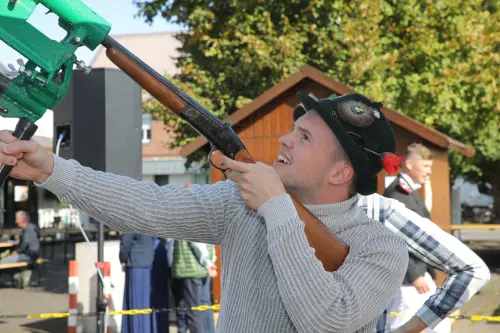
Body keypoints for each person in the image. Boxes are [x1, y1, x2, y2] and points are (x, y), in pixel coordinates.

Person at [0, 91, 410, 333]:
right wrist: (50, 169)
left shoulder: (381, 248)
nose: (284, 139)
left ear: (341, 172)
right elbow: (145, 207)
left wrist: (276, 208)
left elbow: (328, 319)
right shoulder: (241, 202)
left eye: (304, 137)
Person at [382, 143, 450, 333]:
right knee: (401, 325)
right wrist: (415, 275)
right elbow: (398, 238)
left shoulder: (410, 193)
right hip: (409, 278)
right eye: (426, 166)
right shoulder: (398, 194)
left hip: (420, 273)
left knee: (438, 325)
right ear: (410, 164)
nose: (429, 172)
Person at [119, 232, 155, 333]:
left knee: (134, 305)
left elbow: (125, 243)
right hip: (147, 264)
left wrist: (123, 260)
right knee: (144, 306)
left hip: (135, 264)